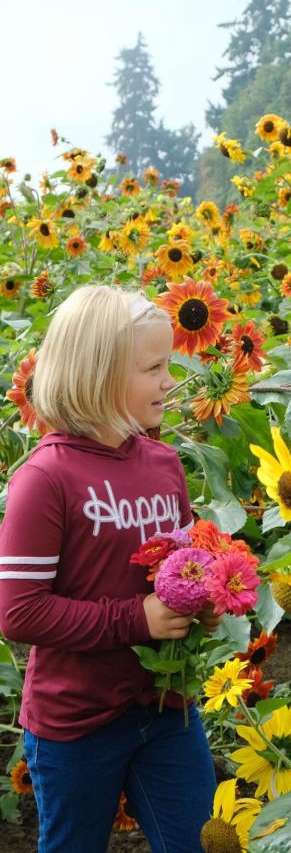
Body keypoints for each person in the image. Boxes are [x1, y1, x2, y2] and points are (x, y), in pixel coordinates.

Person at [0, 286, 217, 852]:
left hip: (168, 707)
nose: (170, 381)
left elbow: (182, 565)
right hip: (77, 725)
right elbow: (18, 612)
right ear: (97, 375)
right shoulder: (45, 480)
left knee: (200, 841)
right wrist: (136, 620)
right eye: (153, 368)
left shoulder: (163, 463)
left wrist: (208, 596)